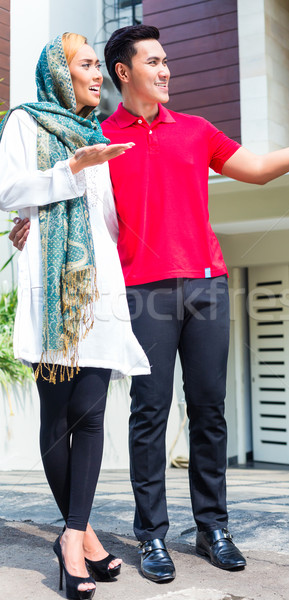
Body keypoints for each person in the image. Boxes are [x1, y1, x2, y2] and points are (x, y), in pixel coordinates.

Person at [10, 24, 289, 585]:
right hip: (142, 292)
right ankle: (151, 535)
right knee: (149, 415)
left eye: (167, 63)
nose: (165, 71)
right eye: (153, 62)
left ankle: (213, 527)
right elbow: (73, 199)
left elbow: (257, 170)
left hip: (207, 285)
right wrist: (27, 222)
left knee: (209, 412)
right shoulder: (101, 136)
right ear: (123, 72)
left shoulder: (195, 130)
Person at [0, 33, 150, 599]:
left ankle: (70, 537)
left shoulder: (97, 133)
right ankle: (82, 537)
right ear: (60, 71)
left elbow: (108, 219)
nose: (98, 74)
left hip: (97, 290)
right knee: (57, 418)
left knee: (90, 416)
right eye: (87, 64)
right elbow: (7, 187)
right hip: (49, 291)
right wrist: (67, 170)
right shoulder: (25, 123)